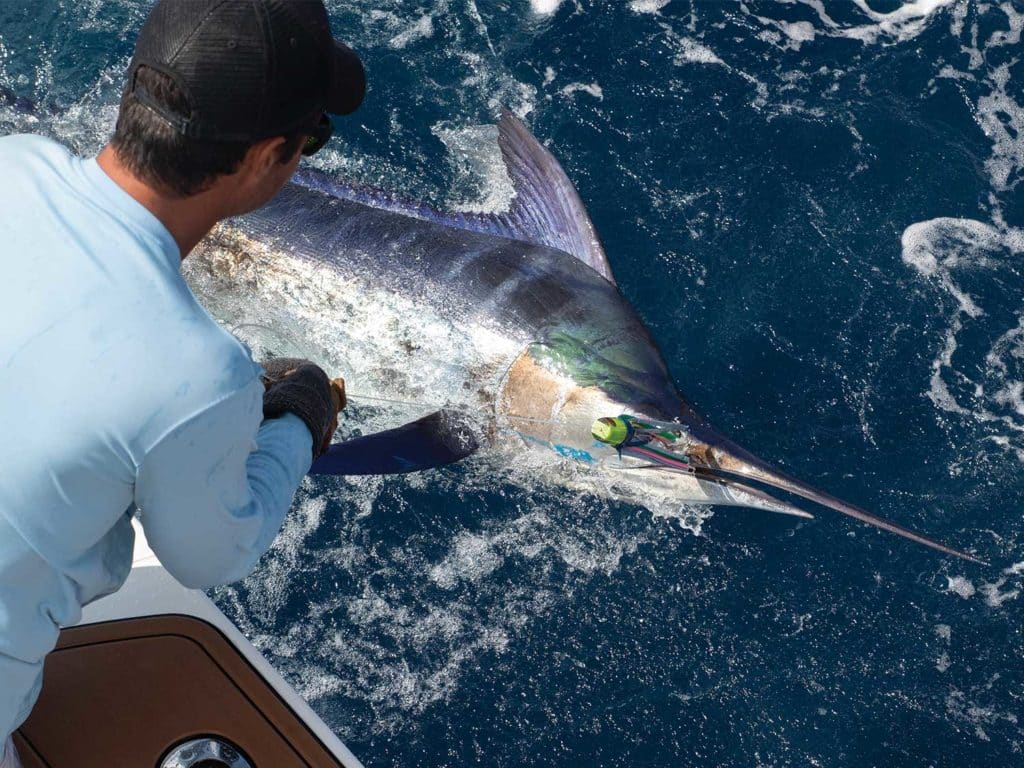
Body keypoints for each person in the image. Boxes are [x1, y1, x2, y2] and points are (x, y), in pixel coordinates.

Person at [0, 1, 366, 764]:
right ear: (269, 157)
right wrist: (298, 419)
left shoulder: (17, 161)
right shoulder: (202, 374)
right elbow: (212, 557)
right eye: (310, 142)